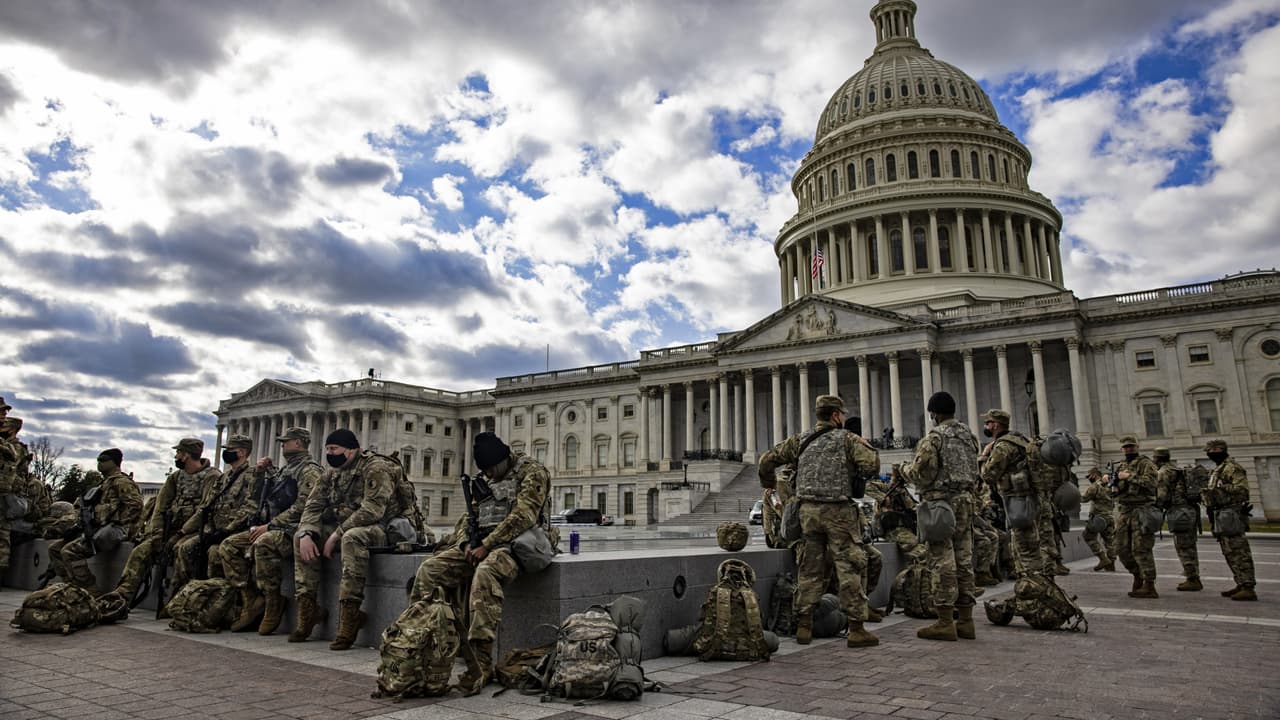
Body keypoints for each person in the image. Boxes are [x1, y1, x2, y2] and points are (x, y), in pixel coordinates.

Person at [409, 431, 553, 694]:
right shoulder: (484, 480)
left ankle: (480, 663)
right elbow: (468, 518)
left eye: (491, 469)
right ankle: (419, 644)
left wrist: (487, 545)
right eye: (484, 470)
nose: (489, 475)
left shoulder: (532, 472)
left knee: (485, 573)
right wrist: (466, 544)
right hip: (483, 545)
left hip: (518, 546)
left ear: (503, 459)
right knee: (430, 570)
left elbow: (525, 515)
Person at [759, 395, 880, 648]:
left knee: (809, 569)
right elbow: (871, 465)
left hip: (808, 513)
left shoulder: (799, 440)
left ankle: (804, 625)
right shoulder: (847, 439)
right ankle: (857, 628)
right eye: (842, 415)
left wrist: (768, 483)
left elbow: (766, 460)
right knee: (849, 566)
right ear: (836, 415)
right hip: (838, 512)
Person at [292, 429, 413, 650]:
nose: (330, 453)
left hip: (385, 528)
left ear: (351, 449)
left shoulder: (376, 468)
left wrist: (337, 534)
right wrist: (306, 533)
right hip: (348, 526)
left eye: (334, 449)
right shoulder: (332, 473)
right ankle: (307, 609)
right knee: (302, 538)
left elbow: (373, 511)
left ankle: (350, 616)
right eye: (327, 449)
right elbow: (313, 506)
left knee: (352, 537)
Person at [898, 391, 980, 641]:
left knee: (941, 559)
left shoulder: (934, 438)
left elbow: (921, 473)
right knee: (964, 558)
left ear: (934, 413)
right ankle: (966, 620)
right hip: (966, 501)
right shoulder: (969, 437)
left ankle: (945, 620)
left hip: (941, 505)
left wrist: (903, 470)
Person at [226, 426, 323, 635]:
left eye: (285, 441)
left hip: (293, 529)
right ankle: (250, 600)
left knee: (263, 542)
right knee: (229, 545)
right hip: (276, 526)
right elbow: (264, 496)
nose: (282, 445)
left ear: (298, 443)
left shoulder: (309, 470)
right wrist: (261, 473)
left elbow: (304, 507)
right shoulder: (286, 469)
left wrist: (270, 525)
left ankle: (273, 602)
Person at [114, 437, 223, 606]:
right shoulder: (175, 477)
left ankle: (178, 600)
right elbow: (160, 507)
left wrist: (182, 532)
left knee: (182, 550)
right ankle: (121, 597)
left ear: (186, 455)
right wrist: (157, 532)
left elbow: (204, 509)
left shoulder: (212, 476)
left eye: (179, 453)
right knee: (141, 551)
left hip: (196, 530)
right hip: (171, 529)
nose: (177, 456)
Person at [48, 448, 142, 593]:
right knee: (55, 549)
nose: (100, 463)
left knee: (70, 552)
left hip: (115, 529)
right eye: (98, 460)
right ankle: (72, 586)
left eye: (104, 460)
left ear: (115, 462)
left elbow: (136, 506)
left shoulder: (122, 482)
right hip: (96, 528)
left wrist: (110, 517)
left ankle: (91, 592)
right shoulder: (103, 484)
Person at [978, 409, 1042, 577]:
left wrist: (984, 456)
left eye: (988, 423)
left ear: (995, 425)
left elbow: (988, 475)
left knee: (1022, 548)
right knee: (1030, 545)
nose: (985, 426)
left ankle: (1033, 588)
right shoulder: (1020, 440)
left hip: (1016, 501)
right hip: (1028, 499)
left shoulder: (1003, 446)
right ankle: (1036, 583)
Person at [1202, 439, 1257, 601]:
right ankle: (1240, 582)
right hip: (1221, 514)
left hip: (1231, 513)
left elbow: (1242, 490)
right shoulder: (1219, 469)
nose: (1209, 454)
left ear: (1219, 449)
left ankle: (1248, 586)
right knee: (1229, 551)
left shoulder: (1233, 468)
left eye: (1211, 451)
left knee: (1239, 551)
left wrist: (1220, 489)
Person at [1107, 436, 1159, 599]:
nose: (1128, 450)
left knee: (1141, 548)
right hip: (1124, 511)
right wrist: (1108, 481)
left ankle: (1149, 585)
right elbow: (1113, 492)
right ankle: (1138, 575)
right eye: (1125, 447)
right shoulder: (1120, 466)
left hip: (1141, 510)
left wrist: (1128, 477)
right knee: (1120, 548)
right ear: (1122, 449)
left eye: (1131, 447)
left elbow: (1151, 484)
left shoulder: (1146, 464)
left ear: (1137, 447)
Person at [1154, 448, 1200, 591]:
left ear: (1158, 459)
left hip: (1179, 512)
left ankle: (1193, 579)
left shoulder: (1163, 472)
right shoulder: (1177, 469)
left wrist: (1153, 507)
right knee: (1190, 545)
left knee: (1183, 546)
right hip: (1190, 511)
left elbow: (1161, 496)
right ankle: (1193, 576)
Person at [1081, 467, 1117, 572]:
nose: (1089, 478)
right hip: (1110, 517)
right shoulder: (1111, 486)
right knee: (1109, 541)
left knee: (1088, 536)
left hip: (1098, 518)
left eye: (1089, 476)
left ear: (1095, 475)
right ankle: (1111, 565)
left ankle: (1103, 558)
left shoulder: (1095, 487)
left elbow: (1084, 499)